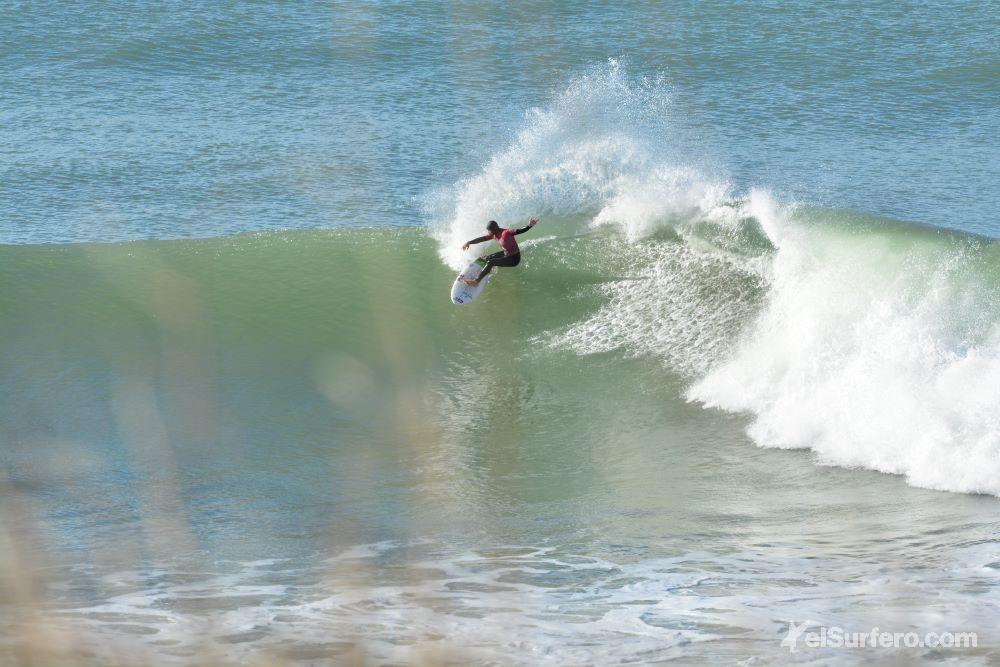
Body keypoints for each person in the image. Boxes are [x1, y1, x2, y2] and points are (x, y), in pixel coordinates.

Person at [461, 218, 538, 286]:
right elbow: (482, 239)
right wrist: (469, 242)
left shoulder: (506, 232)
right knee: (486, 258)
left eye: (489, 231)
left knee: (491, 262)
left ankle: (476, 281)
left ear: (494, 229)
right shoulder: (493, 235)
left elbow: (520, 230)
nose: (488, 232)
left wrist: (529, 226)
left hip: (514, 259)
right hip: (506, 254)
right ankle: (487, 270)